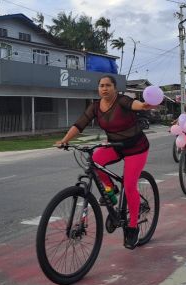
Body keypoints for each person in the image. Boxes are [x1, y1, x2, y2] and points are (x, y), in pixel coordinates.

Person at [56, 75, 155, 250]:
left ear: (114, 88)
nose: (104, 88)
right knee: (94, 160)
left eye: (108, 85)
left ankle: (132, 227)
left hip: (136, 148)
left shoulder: (122, 100)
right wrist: (64, 140)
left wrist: (144, 105)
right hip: (116, 145)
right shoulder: (95, 107)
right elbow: (79, 125)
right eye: (101, 85)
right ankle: (111, 189)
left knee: (130, 185)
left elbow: (135, 105)